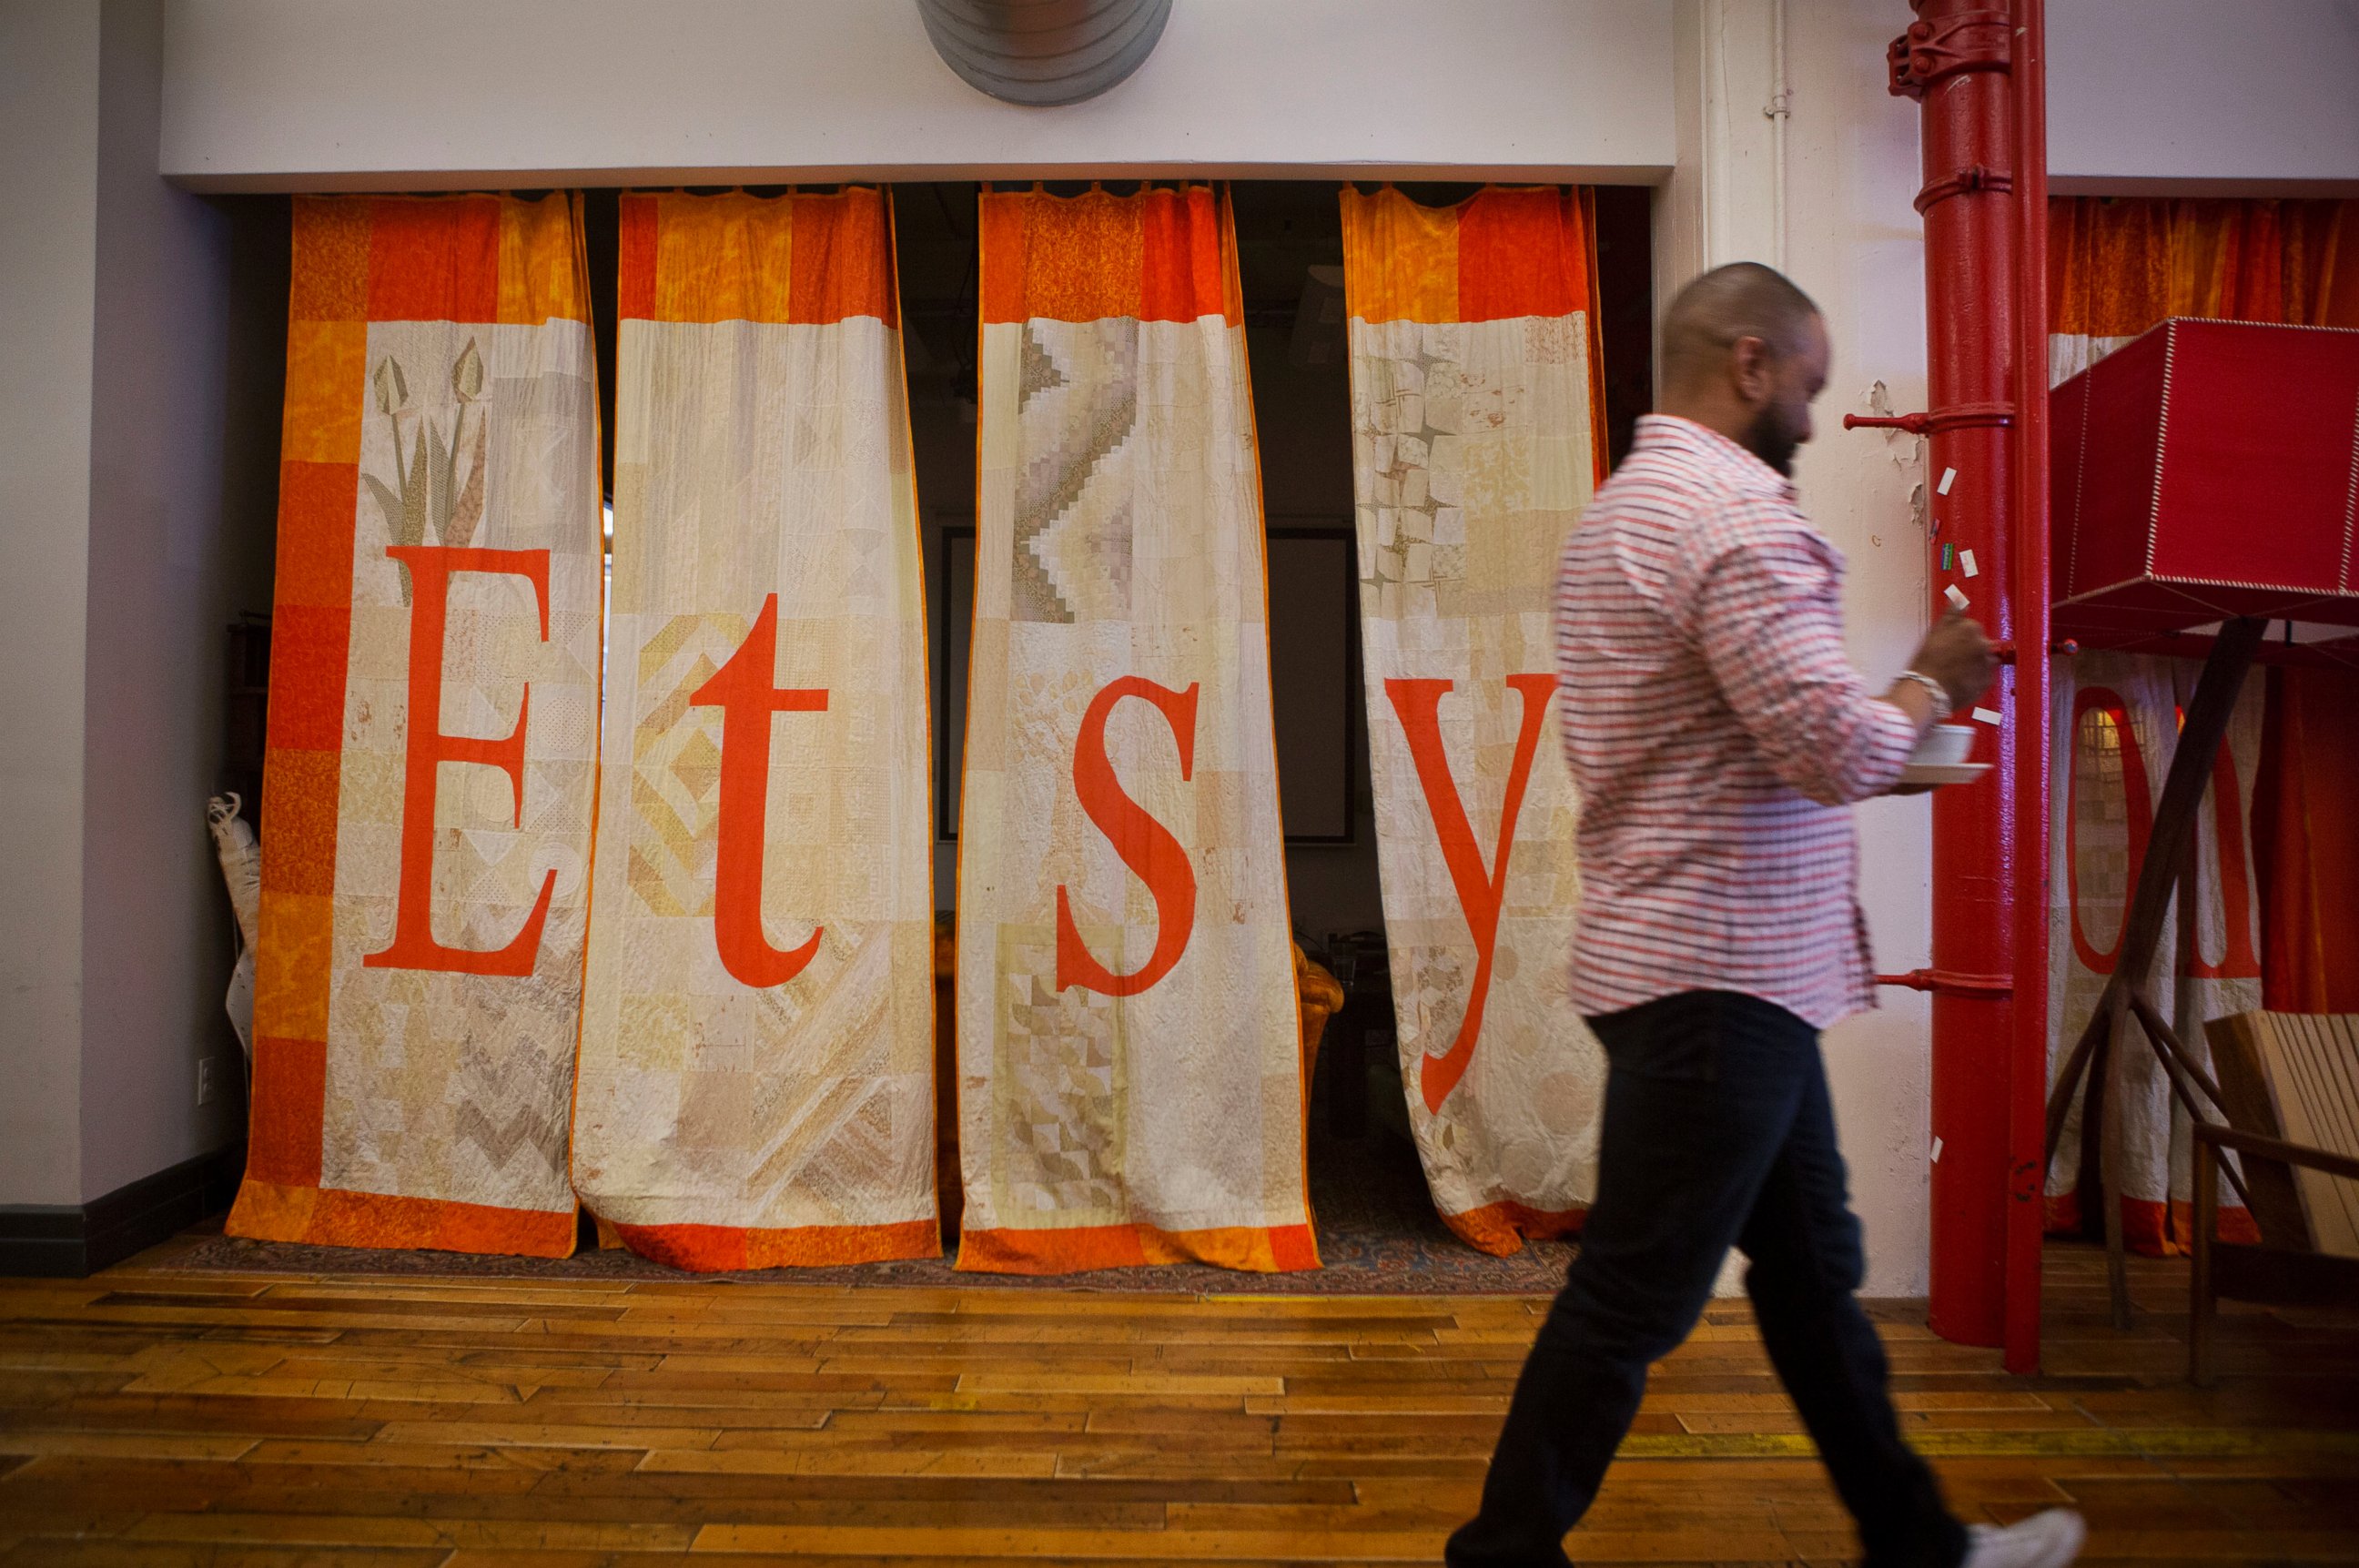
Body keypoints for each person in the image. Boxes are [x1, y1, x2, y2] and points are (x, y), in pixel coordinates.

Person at [1443, 263, 2083, 1568]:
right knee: (1634, 1295)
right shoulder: (1736, 516)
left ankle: (1921, 1547)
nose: (1815, 402)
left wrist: (1872, 723)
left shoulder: (1625, 512)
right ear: (1749, 362)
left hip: (1702, 967)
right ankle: (1499, 1558)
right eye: (1808, 374)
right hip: (1723, 976)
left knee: (1808, 1274)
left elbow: (1725, 737)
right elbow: (1835, 749)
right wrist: (1929, 676)